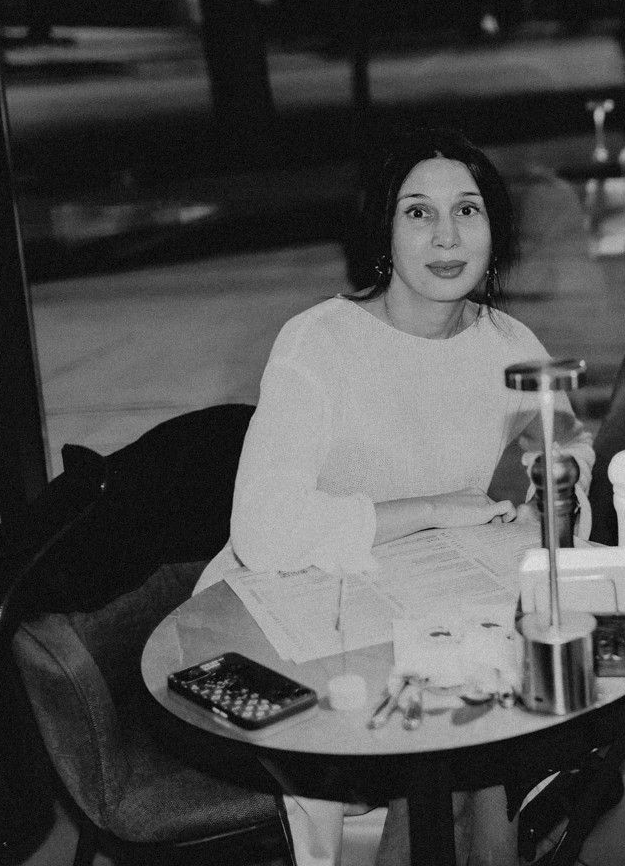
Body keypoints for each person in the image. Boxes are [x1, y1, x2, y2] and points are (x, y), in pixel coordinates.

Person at [196, 127, 594, 866]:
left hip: (422, 602)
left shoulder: (508, 343)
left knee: (478, 710)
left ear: (494, 230)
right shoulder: (318, 343)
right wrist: (435, 508)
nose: (446, 237)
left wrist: (556, 487)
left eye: (467, 210)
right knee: (456, 732)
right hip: (295, 613)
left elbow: (570, 453)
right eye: (418, 213)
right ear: (383, 230)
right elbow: (262, 529)